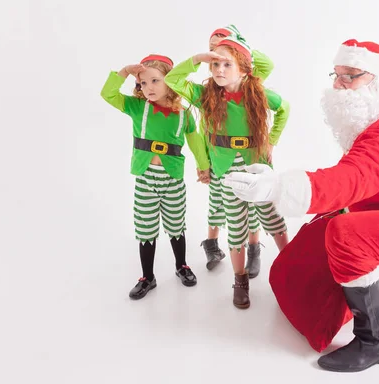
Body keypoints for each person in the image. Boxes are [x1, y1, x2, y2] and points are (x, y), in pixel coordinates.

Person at [223, 39, 379, 371]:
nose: (338, 85)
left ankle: (376, 342)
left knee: (348, 234)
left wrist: (276, 187)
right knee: (347, 211)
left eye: (351, 76)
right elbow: (360, 183)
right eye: (337, 74)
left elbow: (353, 178)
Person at [165, 32, 290, 308]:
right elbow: (172, 80)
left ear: (243, 68)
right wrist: (198, 59)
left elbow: (285, 108)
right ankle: (240, 279)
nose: (219, 70)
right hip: (225, 169)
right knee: (236, 226)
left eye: (227, 64)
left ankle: (292, 268)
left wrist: (272, 140)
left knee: (272, 217)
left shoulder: (257, 93)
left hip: (256, 164)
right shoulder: (204, 95)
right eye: (215, 65)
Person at [100, 54, 209, 300]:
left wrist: (204, 167)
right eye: (142, 83)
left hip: (173, 179)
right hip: (146, 178)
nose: (147, 87)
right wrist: (124, 71)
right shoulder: (137, 107)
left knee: (176, 224)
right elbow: (108, 94)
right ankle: (147, 277)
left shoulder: (184, 114)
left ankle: (181, 265)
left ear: (170, 81)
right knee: (146, 227)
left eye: (154, 81)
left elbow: (195, 141)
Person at [200, 24, 276, 279]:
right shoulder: (209, 88)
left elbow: (265, 65)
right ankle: (212, 244)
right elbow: (200, 130)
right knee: (217, 203)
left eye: (222, 50)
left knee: (250, 205)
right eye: (212, 51)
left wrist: (237, 43)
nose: (216, 57)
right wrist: (203, 160)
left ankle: (253, 248)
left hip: (248, 153)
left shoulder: (246, 82)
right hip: (216, 154)